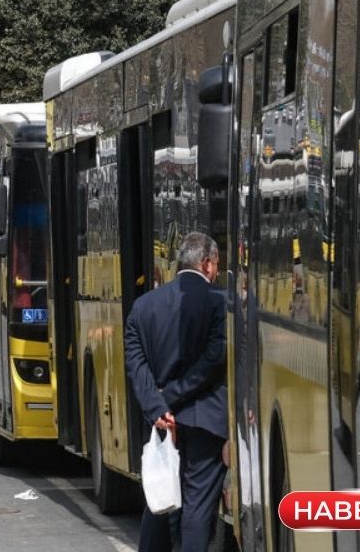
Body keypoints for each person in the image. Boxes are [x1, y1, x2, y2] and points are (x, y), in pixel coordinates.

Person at [124, 232, 227, 552]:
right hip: (207, 420)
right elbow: (214, 359)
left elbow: (135, 363)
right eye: (217, 266)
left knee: (160, 499)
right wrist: (171, 396)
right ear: (207, 263)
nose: (217, 273)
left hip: (162, 422)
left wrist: (157, 406)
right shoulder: (220, 303)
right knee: (197, 506)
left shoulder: (143, 306)